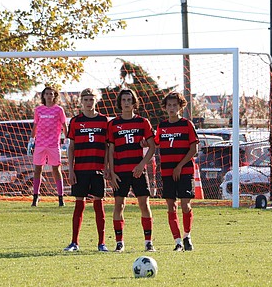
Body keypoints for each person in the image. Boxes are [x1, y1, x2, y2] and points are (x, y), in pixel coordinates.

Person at [107, 89, 156, 252]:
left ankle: (148, 242)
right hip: (120, 171)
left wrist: (142, 165)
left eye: (129, 100)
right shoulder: (113, 124)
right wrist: (111, 171)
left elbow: (152, 146)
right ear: (120, 103)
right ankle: (119, 243)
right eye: (124, 100)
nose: (127, 103)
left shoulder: (143, 122)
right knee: (119, 205)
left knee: (144, 204)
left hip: (138, 171)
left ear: (134, 102)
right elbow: (110, 150)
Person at [63, 88, 109, 252]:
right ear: (81, 102)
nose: (89, 102)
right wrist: (70, 169)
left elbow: (107, 146)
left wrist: (107, 168)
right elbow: (71, 147)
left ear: (96, 101)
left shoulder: (104, 121)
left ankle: (101, 243)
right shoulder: (75, 121)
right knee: (79, 204)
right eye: (86, 100)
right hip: (80, 169)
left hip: (97, 170)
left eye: (91, 99)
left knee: (99, 205)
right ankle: (74, 242)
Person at [155, 92, 199, 251]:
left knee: (185, 205)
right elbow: (155, 143)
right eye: (169, 105)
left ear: (180, 106)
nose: (172, 108)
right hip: (167, 172)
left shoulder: (187, 125)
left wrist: (180, 166)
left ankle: (187, 236)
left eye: (175, 105)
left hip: (184, 171)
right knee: (171, 206)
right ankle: (178, 242)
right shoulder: (162, 126)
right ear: (165, 107)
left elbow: (194, 149)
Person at [30, 85, 68, 207]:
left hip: (53, 144)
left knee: (56, 169)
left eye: (51, 94)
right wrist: (32, 139)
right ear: (43, 96)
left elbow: (64, 125)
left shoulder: (59, 110)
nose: (49, 96)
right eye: (47, 94)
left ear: (55, 96)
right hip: (40, 144)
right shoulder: (38, 110)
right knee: (37, 169)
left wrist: (67, 140)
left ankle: (61, 197)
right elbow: (35, 126)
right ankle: (35, 196)